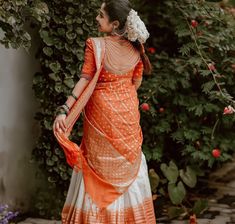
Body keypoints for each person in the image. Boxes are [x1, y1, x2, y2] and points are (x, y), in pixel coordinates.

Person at [53, 0, 156, 223]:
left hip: (100, 115)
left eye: (101, 15)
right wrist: (120, 95)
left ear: (115, 23)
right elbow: (135, 82)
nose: (97, 19)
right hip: (127, 114)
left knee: (97, 164)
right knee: (129, 163)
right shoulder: (136, 47)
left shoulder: (95, 45)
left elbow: (85, 79)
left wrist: (64, 110)